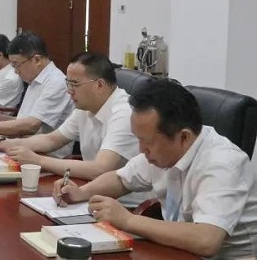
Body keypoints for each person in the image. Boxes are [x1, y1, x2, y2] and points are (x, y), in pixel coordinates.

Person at [54, 80, 257, 258]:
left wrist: (128, 220)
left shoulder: (222, 164)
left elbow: (206, 240)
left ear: (184, 137)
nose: (141, 149)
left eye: (147, 142)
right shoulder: (164, 150)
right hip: (177, 251)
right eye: (138, 139)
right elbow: (121, 179)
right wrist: (81, 193)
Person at [0, 53, 145, 205]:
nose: (69, 91)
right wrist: (6, 143)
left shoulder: (124, 114)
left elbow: (100, 169)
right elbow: (52, 140)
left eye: (75, 84)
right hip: (91, 194)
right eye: (68, 83)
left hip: (127, 207)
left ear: (100, 85)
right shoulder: (86, 107)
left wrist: (38, 160)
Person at [0, 32, 74, 158]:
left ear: (37, 60)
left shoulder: (56, 82)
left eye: (16, 65)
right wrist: (1, 118)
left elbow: (31, 126)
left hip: (45, 155)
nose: (15, 71)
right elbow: (26, 120)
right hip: (23, 145)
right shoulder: (35, 79)